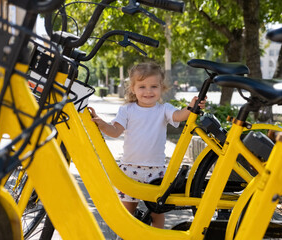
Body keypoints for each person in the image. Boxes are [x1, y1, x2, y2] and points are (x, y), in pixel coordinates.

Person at [88, 62, 206, 229]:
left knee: (157, 212)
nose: (148, 91)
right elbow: (114, 131)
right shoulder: (127, 110)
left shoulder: (163, 109)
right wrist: (101, 123)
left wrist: (191, 107)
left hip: (155, 171)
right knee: (127, 214)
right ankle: (124, 236)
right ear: (133, 89)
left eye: (153, 86)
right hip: (130, 170)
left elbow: (179, 116)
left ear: (161, 88)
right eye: (142, 86)